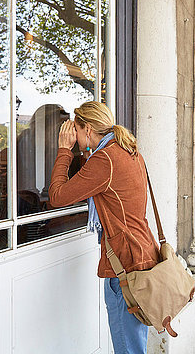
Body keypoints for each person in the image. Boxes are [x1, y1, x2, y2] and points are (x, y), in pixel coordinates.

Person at [49, 101, 160, 354]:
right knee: (134, 343)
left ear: (87, 129)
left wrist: (64, 150)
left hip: (123, 266)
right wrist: (86, 150)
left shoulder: (105, 159)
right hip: (140, 254)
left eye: (75, 131)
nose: (73, 138)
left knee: (127, 348)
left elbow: (57, 195)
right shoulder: (128, 151)